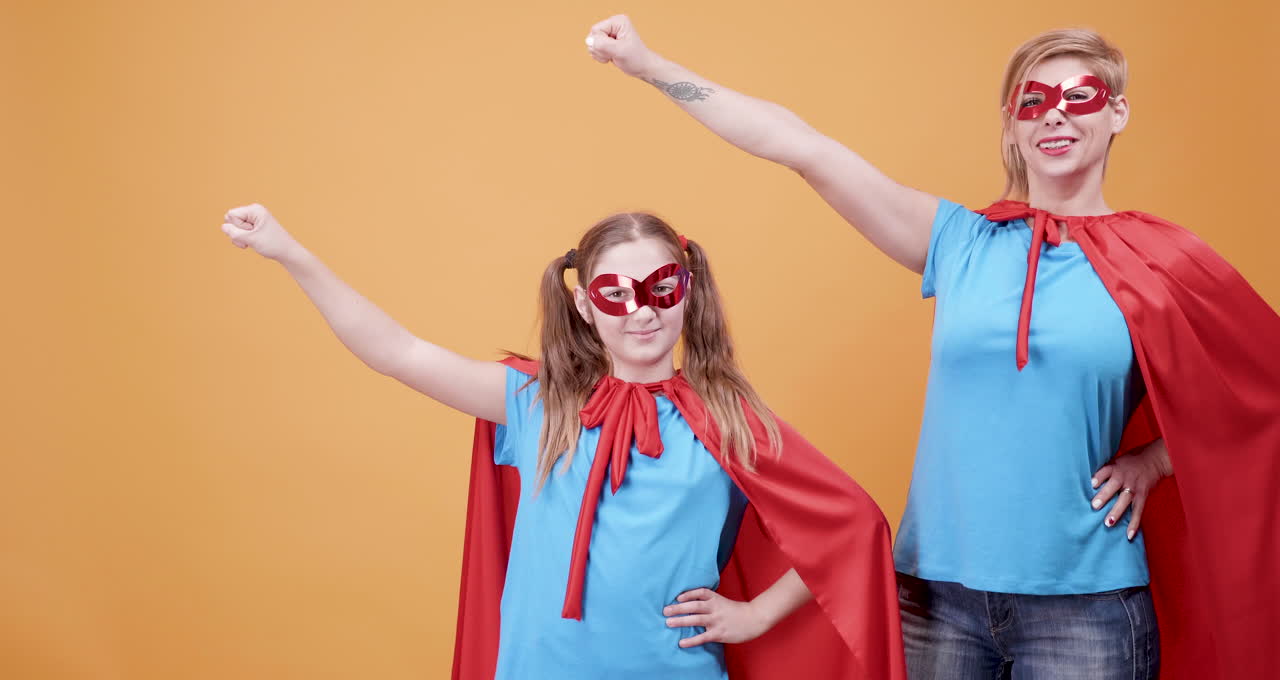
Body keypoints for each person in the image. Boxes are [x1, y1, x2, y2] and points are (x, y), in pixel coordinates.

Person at [586, 15, 1280, 679]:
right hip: (936, 601)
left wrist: (1153, 462)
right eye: (1032, 101)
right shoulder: (960, 242)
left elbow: (1260, 386)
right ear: (1011, 124)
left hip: (1087, 607)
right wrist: (650, 67)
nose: (1055, 114)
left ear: (1117, 112)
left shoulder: (1159, 262)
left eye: (1080, 96)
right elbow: (800, 146)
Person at [220, 206, 906, 679]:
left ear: (687, 292)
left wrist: (755, 613)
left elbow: (854, 529)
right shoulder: (538, 404)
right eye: (614, 293)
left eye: (660, 287)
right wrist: (291, 252)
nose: (640, 309)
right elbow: (396, 352)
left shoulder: (728, 417)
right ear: (584, 305)